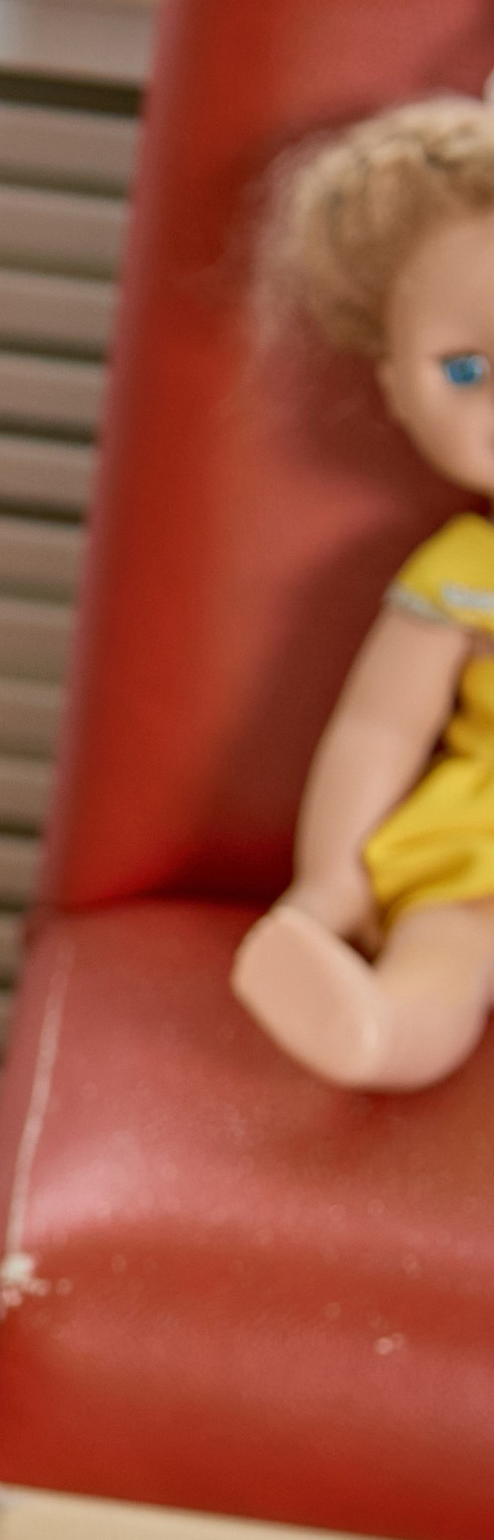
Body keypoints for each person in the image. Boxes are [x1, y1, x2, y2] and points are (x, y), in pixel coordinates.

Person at [234, 92, 494, 1089]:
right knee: (444, 955)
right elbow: (377, 729)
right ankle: (378, 1030)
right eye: (466, 369)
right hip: (478, 852)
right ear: (393, 384)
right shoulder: (462, 572)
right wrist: (330, 877)